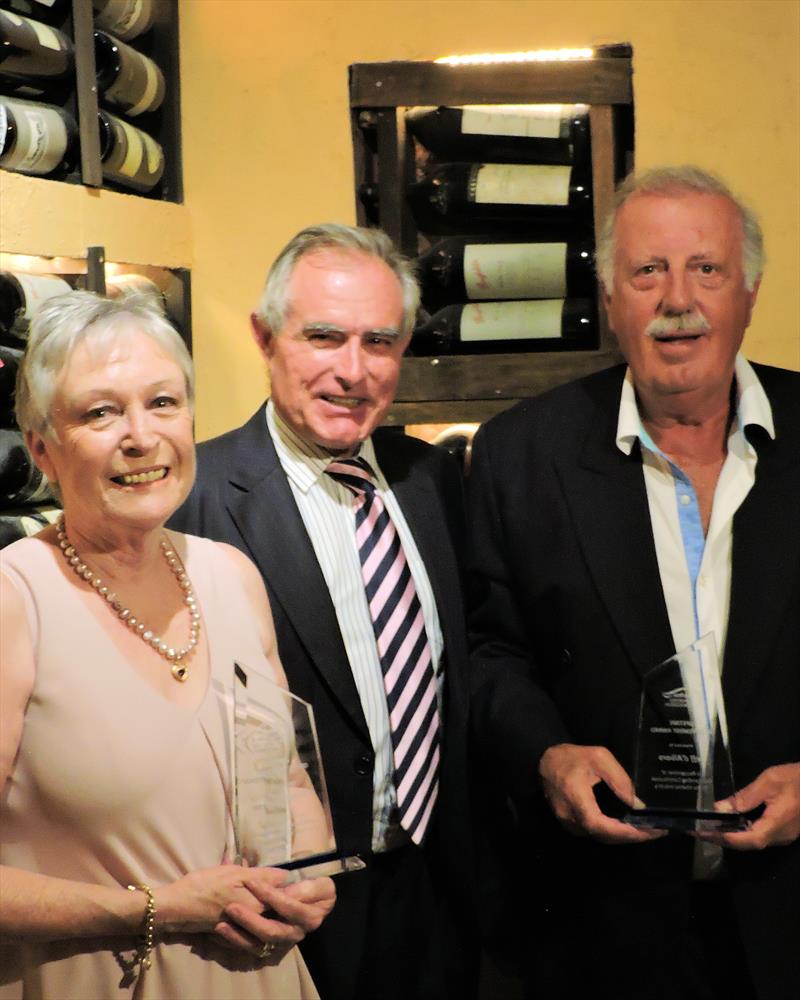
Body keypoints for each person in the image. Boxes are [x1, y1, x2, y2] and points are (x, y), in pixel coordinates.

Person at [467, 166, 799, 1000]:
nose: (676, 299)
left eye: (706, 270)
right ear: (610, 297)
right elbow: (487, 650)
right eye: (647, 272)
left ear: (750, 292)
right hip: (605, 926)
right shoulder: (518, 455)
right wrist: (546, 755)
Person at [169, 224, 477, 1000]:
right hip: (278, 912)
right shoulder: (192, 499)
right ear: (264, 337)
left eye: (380, 341)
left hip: (440, 898)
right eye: (324, 337)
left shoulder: (433, 479)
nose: (353, 370)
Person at [0, 291, 336, 999]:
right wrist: (157, 909)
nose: (140, 436)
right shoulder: (14, 600)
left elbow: (289, 779)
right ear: (42, 451)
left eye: (163, 403)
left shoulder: (231, 574)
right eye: (100, 412)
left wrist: (309, 873)